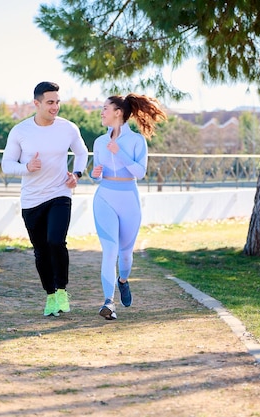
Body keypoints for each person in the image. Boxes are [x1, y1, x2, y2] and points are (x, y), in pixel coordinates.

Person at [2, 81, 89, 317]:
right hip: (31, 200)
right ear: (37, 103)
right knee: (40, 250)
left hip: (59, 193)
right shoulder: (20, 131)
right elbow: (6, 164)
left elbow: (82, 153)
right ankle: (50, 295)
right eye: (50, 102)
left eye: (58, 102)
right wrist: (27, 167)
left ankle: (62, 290)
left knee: (56, 241)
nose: (55, 107)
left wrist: (77, 174)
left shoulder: (68, 128)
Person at [90, 93, 167, 320]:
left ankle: (122, 281)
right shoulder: (99, 142)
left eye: (105, 108)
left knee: (124, 254)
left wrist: (119, 153)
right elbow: (97, 172)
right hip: (104, 196)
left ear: (118, 112)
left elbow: (140, 173)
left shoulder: (136, 141)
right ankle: (108, 302)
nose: (102, 112)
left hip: (128, 198)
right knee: (110, 251)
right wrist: (95, 174)